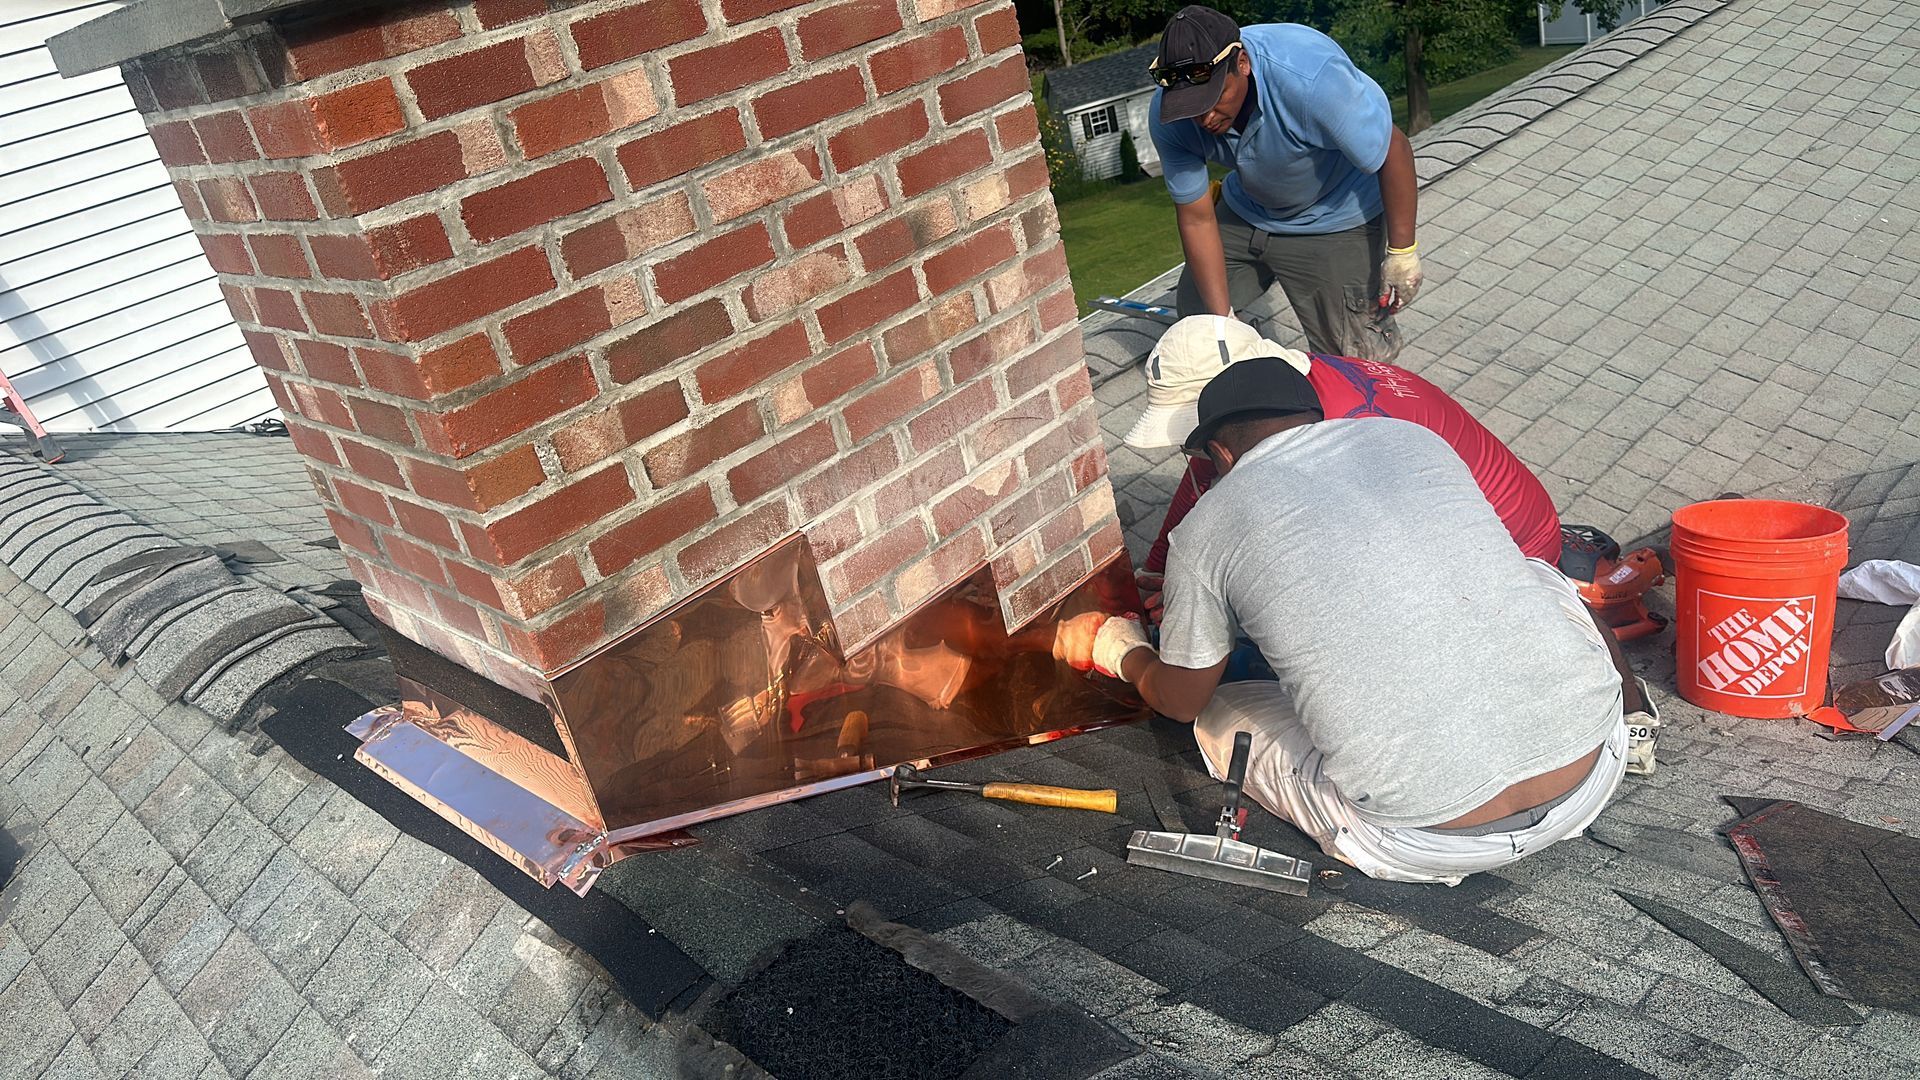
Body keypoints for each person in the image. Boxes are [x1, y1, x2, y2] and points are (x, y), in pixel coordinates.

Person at [1056, 359, 1651, 884]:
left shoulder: (1208, 524)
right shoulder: (1413, 440)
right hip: (1594, 771)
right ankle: (1637, 713)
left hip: (1423, 840)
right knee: (1539, 576)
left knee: (1217, 710)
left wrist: (1121, 648)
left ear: (1222, 454)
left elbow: (1180, 700)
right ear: (1315, 418)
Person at [1126, 316, 1562, 587]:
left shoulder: (1346, 433)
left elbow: (1346, 568)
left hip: (1512, 553)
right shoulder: (1285, 391)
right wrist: (1159, 569)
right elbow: (1206, 469)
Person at [1147, 6, 1421, 361]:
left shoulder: (1311, 80)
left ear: (1241, 63)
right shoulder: (1169, 116)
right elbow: (1197, 217)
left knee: (1354, 361)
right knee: (1199, 328)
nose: (1204, 118)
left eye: (1214, 100)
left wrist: (1402, 253)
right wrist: (1222, 325)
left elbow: (1393, 150)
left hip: (1334, 215)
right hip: (1249, 208)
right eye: (1192, 108)